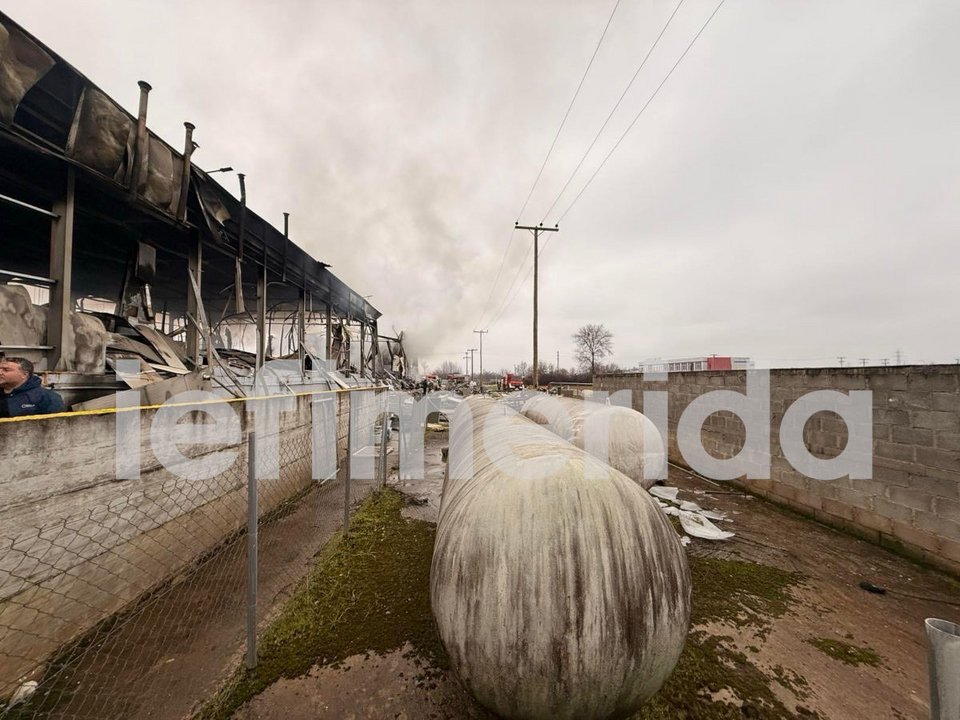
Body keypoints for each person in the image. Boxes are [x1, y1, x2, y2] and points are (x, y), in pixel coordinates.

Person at [0, 357, 65, 418]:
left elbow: (56, 425)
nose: (0, 372)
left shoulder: (47, 398)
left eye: (6, 370)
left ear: (24, 374)